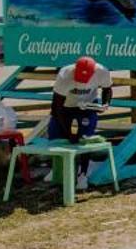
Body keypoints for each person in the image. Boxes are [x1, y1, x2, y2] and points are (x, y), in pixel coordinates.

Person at [48, 55, 113, 185]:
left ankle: (83, 173)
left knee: (85, 139)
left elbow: (107, 89)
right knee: (56, 135)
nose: (82, 82)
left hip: (88, 105)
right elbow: (56, 107)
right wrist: (68, 132)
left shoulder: (102, 71)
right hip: (66, 106)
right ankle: (57, 169)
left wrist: (105, 104)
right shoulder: (65, 74)